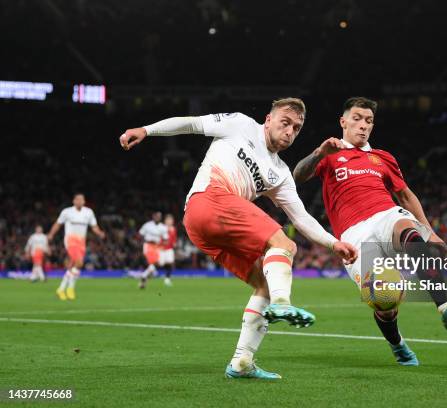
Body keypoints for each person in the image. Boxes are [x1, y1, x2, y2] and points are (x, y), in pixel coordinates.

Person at [119, 97, 357, 379]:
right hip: (208, 199)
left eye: (297, 127)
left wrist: (333, 242)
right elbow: (192, 124)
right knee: (284, 245)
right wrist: (147, 130)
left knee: (264, 284)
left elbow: (302, 217)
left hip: (206, 228)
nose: (290, 131)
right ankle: (283, 304)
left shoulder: (280, 173)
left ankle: (242, 361)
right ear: (268, 119)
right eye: (285, 122)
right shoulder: (241, 124)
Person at [293, 97, 447, 367]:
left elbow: (404, 195)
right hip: (353, 234)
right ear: (343, 121)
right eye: (357, 118)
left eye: (369, 121)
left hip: (385, 214)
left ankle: (446, 308)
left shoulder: (382, 158)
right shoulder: (330, 153)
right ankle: (398, 345)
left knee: (408, 231)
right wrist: (318, 153)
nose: (363, 125)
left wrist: (430, 231)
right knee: (385, 301)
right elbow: (298, 175)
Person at [47, 193, 105, 300]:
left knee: (72, 265)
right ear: (73, 201)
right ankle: (70, 288)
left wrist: (100, 233)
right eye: (77, 199)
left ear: (84, 201)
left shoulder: (88, 212)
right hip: (70, 240)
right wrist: (51, 234)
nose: (79, 201)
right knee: (79, 263)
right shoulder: (67, 212)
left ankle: (61, 289)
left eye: (81, 199)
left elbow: (94, 226)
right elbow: (58, 224)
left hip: (81, 241)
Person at [138, 212, 169, 289]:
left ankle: (143, 277)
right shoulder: (147, 225)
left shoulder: (163, 227)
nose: (157, 217)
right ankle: (144, 277)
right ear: (153, 216)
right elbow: (140, 234)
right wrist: (141, 243)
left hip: (157, 246)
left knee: (156, 265)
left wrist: (162, 245)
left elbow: (166, 239)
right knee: (153, 263)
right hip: (148, 245)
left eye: (159, 216)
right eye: (156, 216)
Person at [159, 214, 177, 287]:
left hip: (169, 249)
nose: (170, 221)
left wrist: (174, 243)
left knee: (170, 263)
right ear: (165, 221)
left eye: (171, 220)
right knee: (160, 264)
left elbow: (174, 239)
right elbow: (159, 238)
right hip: (162, 249)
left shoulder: (173, 229)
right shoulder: (162, 228)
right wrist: (160, 245)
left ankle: (167, 279)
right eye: (168, 220)